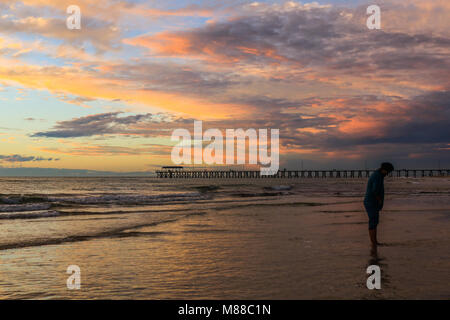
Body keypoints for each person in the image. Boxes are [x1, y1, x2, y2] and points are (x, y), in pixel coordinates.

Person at [364, 162, 394, 248]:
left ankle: (375, 242)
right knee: (373, 222)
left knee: (374, 222)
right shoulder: (377, 176)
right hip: (371, 202)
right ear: (384, 170)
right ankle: (374, 243)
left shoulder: (379, 175)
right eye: (388, 172)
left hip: (371, 202)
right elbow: (374, 190)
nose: (388, 174)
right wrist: (379, 200)